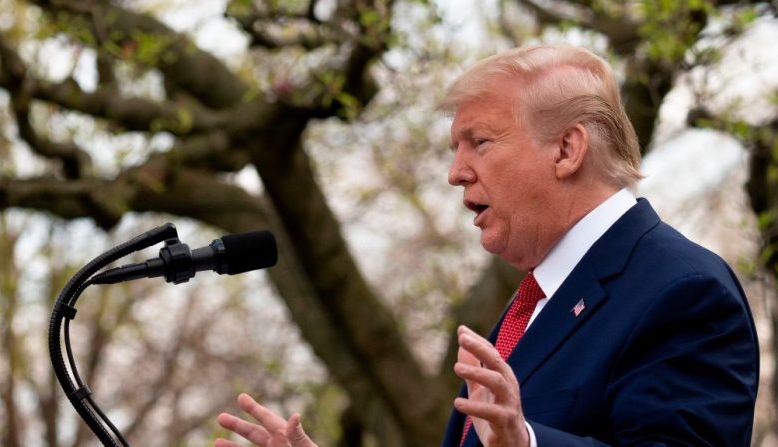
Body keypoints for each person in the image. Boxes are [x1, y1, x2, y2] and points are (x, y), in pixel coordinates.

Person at [215, 44, 760, 447]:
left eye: (479, 142)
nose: (455, 173)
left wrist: (524, 443)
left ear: (568, 149)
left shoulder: (682, 289)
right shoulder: (536, 300)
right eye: (456, 148)